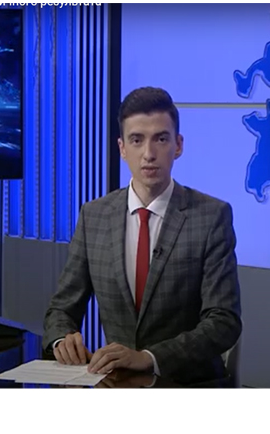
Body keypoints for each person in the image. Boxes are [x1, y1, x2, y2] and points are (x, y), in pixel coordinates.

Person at [43, 87, 242, 385]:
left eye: (160, 139)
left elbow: (224, 321)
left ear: (178, 145)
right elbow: (61, 308)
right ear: (122, 148)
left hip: (187, 386)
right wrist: (62, 339)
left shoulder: (211, 216)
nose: (149, 154)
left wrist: (149, 357)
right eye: (137, 140)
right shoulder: (94, 216)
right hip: (115, 385)